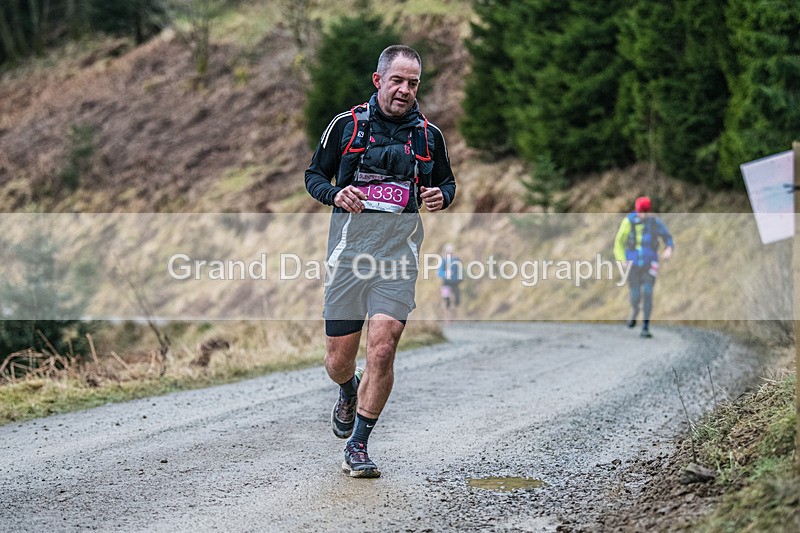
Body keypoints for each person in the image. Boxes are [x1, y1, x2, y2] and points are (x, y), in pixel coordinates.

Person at [305, 45, 456, 478]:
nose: (405, 90)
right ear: (378, 81)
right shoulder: (346, 126)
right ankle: (347, 390)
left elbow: (446, 182)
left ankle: (359, 445)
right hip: (349, 256)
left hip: (398, 257)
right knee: (337, 361)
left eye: (413, 83)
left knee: (384, 348)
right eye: (397, 81)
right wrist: (335, 194)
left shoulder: (429, 136)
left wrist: (439, 196)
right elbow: (314, 175)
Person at [613, 196, 673, 338]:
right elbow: (619, 243)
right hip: (632, 264)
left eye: (646, 211)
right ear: (637, 210)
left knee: (647, 292)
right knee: (635, 296)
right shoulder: (628, 222)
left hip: (650, 263)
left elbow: (667, 237)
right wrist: (621, 260)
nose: (644, 215)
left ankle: (645, 326)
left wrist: (669, 248)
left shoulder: (654, 223)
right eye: (641, 211)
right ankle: (634, 311)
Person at [438, 243, 463, 322]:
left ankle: (453, 318)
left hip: (455, 283)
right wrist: (445, 274)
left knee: (455, 301)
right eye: (448, 252)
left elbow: (460, 271)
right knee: (446, 301)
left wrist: (460, 279)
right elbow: (439, 272)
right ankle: (446, 318)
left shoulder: (457, 260)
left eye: (451, 252)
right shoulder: (444, 261)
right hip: (446, 284)